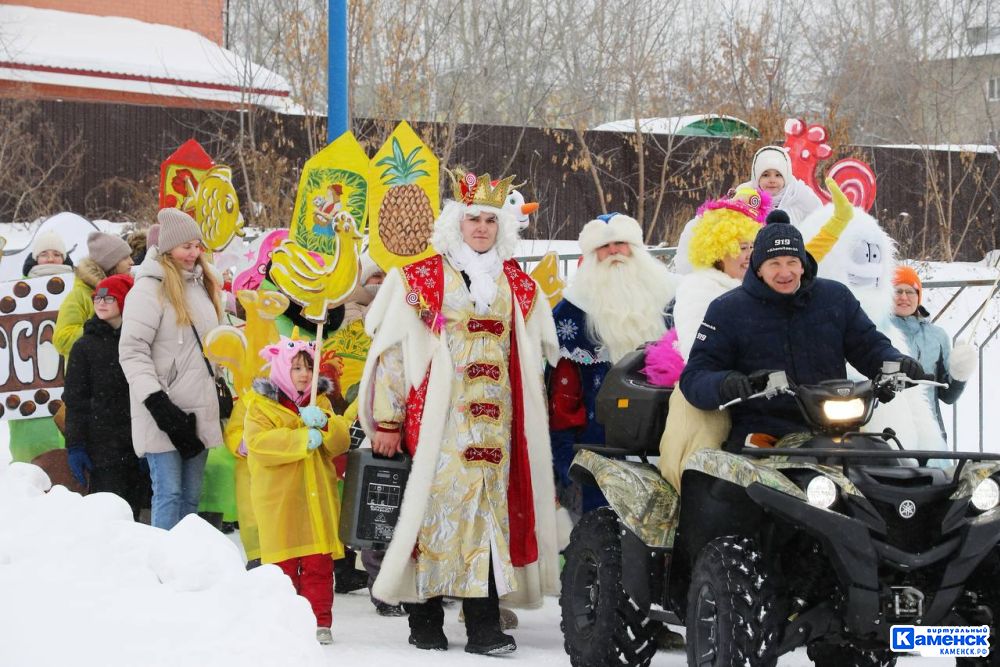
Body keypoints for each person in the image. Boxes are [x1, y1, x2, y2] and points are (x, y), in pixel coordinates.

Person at [358, 170, 560, 655]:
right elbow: (393, 353)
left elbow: (536, 353)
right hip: (438, 422)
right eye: (474, 218)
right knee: (429, 517)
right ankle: (424, 618)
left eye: (491, 219)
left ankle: (484, 627)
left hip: (498, 430)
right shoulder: (421, 278)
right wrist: (386, 420)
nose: (482, 227)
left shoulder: (518, 284)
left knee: (490, 519)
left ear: (502, 226)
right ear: (457, 222)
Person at [680, 222, 929, 449]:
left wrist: (896, 363)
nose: (785, 272)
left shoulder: (835, 298)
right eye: (774, 263)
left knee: (881, 464)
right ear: (758, 268)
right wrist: (729, 383)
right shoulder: (727, 310)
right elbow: (695, 376)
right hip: (763, 432)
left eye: (791, 262)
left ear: (803, 263)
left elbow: (868, 345)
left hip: (836, 425)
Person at [548, 212, 677, 515]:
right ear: (592, 255)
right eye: (604, 247)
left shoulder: (671, 299)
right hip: (601, 441)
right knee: (605, 528)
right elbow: (561, 394)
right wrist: (564, 450)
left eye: (621, 243)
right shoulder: (572, 312)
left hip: (667, 433)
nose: (614, 252)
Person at [646, 188, 764, 489]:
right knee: (698, 468)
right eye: (739, 246)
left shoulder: (763, 290)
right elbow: (695, 348)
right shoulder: (700, 287)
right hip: (708, 391)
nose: (748, 254)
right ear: (717, 249)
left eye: (753, 246)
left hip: (755, 393)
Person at [119, 208, 224, 530]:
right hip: (163, 409)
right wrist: (156, 402)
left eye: (197, 245)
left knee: (192, 496)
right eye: (185, 246)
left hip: (200, 406)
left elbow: (212, 344)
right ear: (167, 249)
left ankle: (187, 563)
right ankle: (163, 566)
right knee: (169, 492)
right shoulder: (148, 289)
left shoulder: (202, 285)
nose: (193, 253)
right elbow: (132, 351)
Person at [243, 336, 351, 645]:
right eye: (296, 368)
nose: (304, 374)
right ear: (280, 368)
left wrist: (327, 424)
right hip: (281, 500)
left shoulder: (322, 403)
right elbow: (260, 445)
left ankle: (319, 621)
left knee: (319, 564)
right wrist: (302, 438)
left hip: (316, 499)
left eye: (309, 368)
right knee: (283, 567)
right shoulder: (260, 405)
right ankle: (283, 620)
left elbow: (341, 442)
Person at [63, 273, 150, 519]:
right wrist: (76, 446)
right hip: (101, 448)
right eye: (97, 297)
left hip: (138, 443)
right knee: (110, 517)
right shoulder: (84, 346)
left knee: (142, 520)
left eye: (108, 297)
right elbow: (75, 401)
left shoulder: (139, 340)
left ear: (124, 301)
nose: (100, 302)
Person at [890, 266, 977, 441]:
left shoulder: (937, 336)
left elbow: (948, 396)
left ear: (919, 296)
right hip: (887, 432)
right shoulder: (876, 331)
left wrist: (959, 374)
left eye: (910, 292)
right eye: (898, 291)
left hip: (930, 435)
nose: (904, 297)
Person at [54, 231, 135, 361]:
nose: (131, 262)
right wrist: (97, 329)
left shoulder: (130, 289)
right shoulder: (79, 295)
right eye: (125, 258)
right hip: (91, 375)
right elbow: (61, 339)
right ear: (110, 263)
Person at [738, 145, 821, 226]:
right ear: (756, 177)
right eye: (765, 175)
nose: (772, 180)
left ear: (786, 176)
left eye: (778, 175)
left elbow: (819, 224)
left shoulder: (800, 196)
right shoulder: (745, 197)